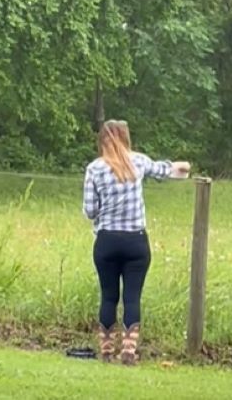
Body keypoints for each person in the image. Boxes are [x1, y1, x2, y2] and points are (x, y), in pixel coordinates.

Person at [82, 119, 190, 364]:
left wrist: (104, 212)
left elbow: (89, 210)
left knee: (108, 296)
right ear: (126, 139)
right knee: (132, 297)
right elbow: (169, 171)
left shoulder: (94, 168)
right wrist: (184, 166)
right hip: (136, 242)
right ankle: (129, 351)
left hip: (107, 240)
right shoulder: (138, 161)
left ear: (102, 141)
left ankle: (107, 350)